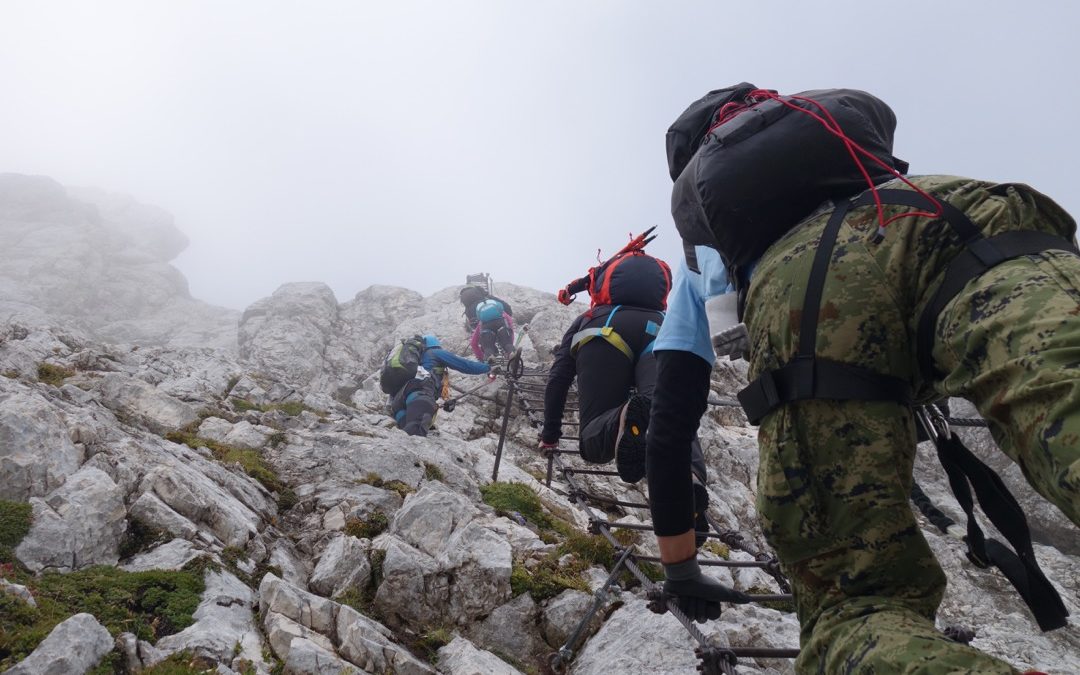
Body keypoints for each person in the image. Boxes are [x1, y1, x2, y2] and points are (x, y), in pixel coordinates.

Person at [650, 86, 1080, 673]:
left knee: (855, 610)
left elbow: (670, 426)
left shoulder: (703, 256)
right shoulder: (839, 143)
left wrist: (679, 569)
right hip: (963, 210)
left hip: (816, 287)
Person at [389, 334, 492, 436]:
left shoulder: (414, 361)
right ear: (435, 344)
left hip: (398, 403)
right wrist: (488, 367)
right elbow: (465, 365)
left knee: (404, 436)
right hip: (419, 396)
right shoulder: (435, 352)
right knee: (414, 435)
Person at [459, 285, 516, 360]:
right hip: (501, 321)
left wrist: (481, 358)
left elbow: (474, 337)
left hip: (484, 326)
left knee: (487, 345)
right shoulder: (489, 300)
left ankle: (490, 355)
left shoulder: (469, 309)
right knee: (505, 341)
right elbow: (506, 308)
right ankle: (510, 351)